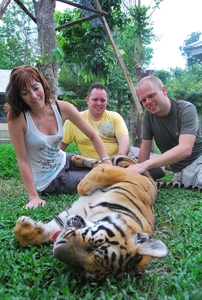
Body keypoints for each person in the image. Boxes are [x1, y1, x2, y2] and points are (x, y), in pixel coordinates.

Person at [4, 65, 111, 209]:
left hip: (65, 159)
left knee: (105, 169)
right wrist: (33, 197)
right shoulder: (18, 118)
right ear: (19, 96)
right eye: (25, 93)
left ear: (43, 84)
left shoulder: (62, 108)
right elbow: (22, 159)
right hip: (50, 179)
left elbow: (92, 135)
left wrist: (106, 160)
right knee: (101, 179)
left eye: (36, 88)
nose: (34, 96)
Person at [60, 82, 165, 180]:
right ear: (87, 100)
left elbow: (124, 141)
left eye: (103, 100)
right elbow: (61, 147)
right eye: (95, 99)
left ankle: (174, 165)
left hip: (124, 156)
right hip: (96, 164)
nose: (99, 103)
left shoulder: (114, 117)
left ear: (107, 101)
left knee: (159, 164)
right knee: (150, 170)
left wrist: (118, 161)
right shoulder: (74, 121)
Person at [127, 75, 202, 186]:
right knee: (132, 152)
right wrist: (139, 172)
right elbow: (145, 147)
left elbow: (185, 149)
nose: (148, 102)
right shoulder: (149, 116)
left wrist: (144, 165)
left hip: (197, 162)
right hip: (180, 170)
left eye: (151, 96)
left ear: (164, 90)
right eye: (143, 100)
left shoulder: (185, 109)